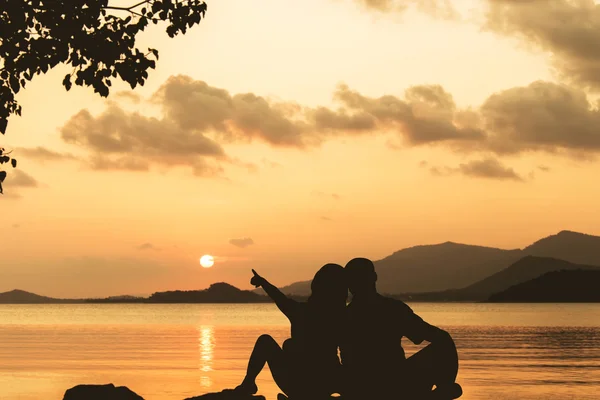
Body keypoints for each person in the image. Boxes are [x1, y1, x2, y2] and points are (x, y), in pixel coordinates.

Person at [340, 257, 463, 400]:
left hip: (360, 385)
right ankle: (441, 392)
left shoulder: (342, 315)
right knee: (444, 342)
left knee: (443, 341)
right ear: (374, 277)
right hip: (395, 381)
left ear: (349, 284)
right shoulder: (393, 309)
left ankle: (438, 392)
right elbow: (438, 336)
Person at [233, 264, 347, 399]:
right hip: (327, 382)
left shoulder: (300, 311)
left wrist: (263, 282)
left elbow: (279, 298)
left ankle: (248, 382)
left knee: (267, 341)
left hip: (295, 382)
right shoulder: (343, 316)